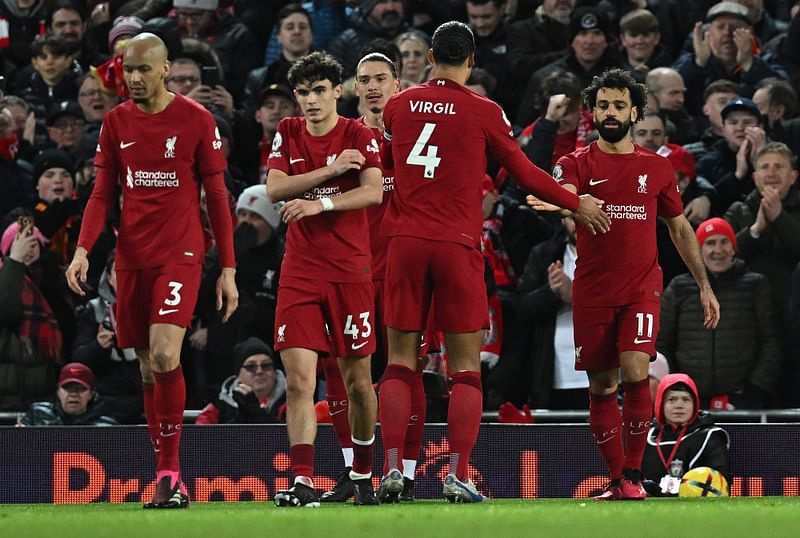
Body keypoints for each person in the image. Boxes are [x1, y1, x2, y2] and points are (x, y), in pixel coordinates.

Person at [376, 20, 609, 504]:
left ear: (429, 57)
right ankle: (457, 475)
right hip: (457, 245)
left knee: (400, 363)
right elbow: (522, 172)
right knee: (465, 370)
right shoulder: (484, 111)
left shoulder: (398, 105)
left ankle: (392, 471)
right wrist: (574, 201)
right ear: (472, 60)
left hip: (405, 243)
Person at [528, 68, 720, 500]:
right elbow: (561, 196)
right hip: (592, 290)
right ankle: (617, 479)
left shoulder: (656, 167)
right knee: (602, 387)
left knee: (636, 371)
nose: (610, 112)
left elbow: (679, 228)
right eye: (602, 105)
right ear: (592, 112)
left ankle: (633, 475)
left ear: (634, 112)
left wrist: (704, 285)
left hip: (641, 287)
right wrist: (574, 205)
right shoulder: (574, 162)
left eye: (618, 105)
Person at [65, 33, 238, 510]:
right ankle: (167, 473)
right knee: (146, 364)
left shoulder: (197, 120)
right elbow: (102, 195)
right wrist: (83, 251)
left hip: (180, 253)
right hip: (133, 257)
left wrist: (227, 268)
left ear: (165, 69)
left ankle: (168, 472)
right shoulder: (116, 121)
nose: (134, 79)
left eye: (143, 70)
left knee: (164, 356)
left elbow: (218, 198)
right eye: (127, 70)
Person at [266, 51, 383, 508]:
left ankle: (363, 473)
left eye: (319, 91)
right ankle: (301, 480)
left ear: (338, 91)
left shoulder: (358, 133)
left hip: (350, 270)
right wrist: (333, 171)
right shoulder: (288, 132)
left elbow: (373, 191)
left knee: (357, 382)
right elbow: (275, 188)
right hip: (300, 272)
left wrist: (322, 203)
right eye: (303, 92)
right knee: (299, 380)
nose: (310, 101)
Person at [657, 217, 781, 409]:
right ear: (698, 250)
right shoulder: (678, 288)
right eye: (710, 243)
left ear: (733, 248)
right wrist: (677, 385)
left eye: (724, 242)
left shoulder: (756, 285)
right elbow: (662, 343)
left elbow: (772, 341)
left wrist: (755, 387)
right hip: (689, 400)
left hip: (743, 399)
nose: (718, 250)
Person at [641, 374, 731, 496]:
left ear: (695, 404)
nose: (679, 405)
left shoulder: (710, 437)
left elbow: (720, 483)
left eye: (686, 399)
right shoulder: (644, 436)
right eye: (671, 399)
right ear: (660, 404)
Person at [195, 337, 287, 424]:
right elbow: (200, 437)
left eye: (266, 365)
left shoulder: (290, 402)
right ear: (238, 374)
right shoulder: (219, 406)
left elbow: (289, 438)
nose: (259, 371)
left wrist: (256, 412)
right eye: (251, 366)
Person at [18, 362, 118, 426]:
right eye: (67, 388)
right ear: (58, 391)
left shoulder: (107, 427)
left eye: (80, 389)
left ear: (91, 394)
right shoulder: (36, 416)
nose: (73, 394)